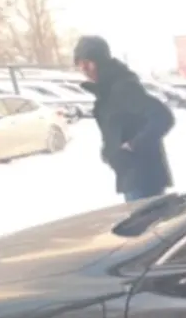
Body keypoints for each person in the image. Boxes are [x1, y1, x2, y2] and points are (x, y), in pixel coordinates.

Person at [73, 35, 175, 202]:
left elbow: (163, 117)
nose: (84, 68)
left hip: (143, 177)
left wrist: (133, 145)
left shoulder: (123, 88)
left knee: (146, 218)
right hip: (131, 176)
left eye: (88, 62)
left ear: (101, 61)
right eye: (80, 63)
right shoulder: (107, 90)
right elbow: (117, 126)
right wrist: (109, 151)